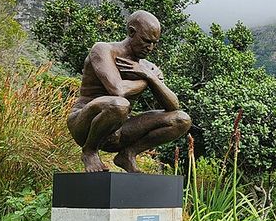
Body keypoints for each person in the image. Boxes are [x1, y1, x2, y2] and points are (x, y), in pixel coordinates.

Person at [67, 10, 191, 173]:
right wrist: (147, 79)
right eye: (146, 41)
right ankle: (90, 151)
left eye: (154, 43)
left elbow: (173, 106)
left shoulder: (147, 67)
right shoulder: (103, 50)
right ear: (132, 32)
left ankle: (128, 154)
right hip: (85, 124)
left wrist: (150, 76)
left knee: (182, 119)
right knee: (120, 104)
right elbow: (117, 90)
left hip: (120, 129)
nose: (150, 47)